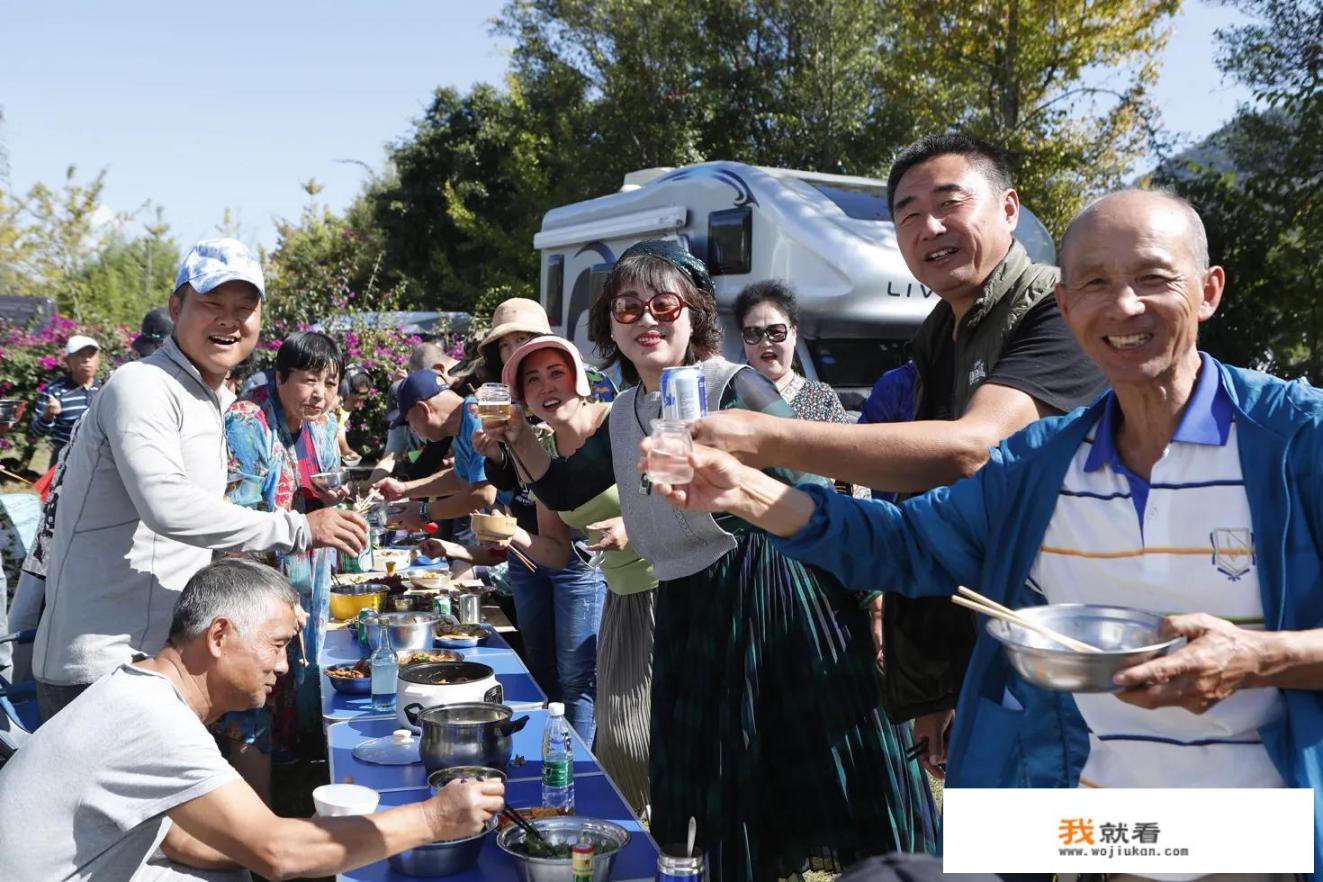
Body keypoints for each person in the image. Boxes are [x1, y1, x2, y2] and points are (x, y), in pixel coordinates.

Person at [651, 190, 1323, 879]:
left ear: (1207, 291)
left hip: (1265, 829)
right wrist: (745, 491)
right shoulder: (1041, 464)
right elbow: (903, 544)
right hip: (1090, 828)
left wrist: (1258, 658)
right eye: (1093, 283)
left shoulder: (1296, 441)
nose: (1122, 306)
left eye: (1152, 278)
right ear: (1064, 309)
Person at [485, 240, 937, 881]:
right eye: (628, 307)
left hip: (774, 594)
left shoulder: (735, 386)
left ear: (694, 314)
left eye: (664, 303)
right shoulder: (624, 413)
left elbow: (812, 495)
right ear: (608, 326)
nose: (647, 318)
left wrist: (870, 604)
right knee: (707, 785)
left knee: (831, 771)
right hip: (690, 603)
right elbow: (561, 490)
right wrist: (514, 435)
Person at [692, 133, 1107, 768]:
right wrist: (936, 685)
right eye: (908, 214)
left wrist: (758, 433)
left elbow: (972, 449)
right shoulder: (942, 333)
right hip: (988, 638)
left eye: (948, 203)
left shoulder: (1058, 309)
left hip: (1070, 642)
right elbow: (931, 511)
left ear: (1008, 208)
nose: (929, 226)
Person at [31, 238, 368, 721]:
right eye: (212, 304)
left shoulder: (215, 403)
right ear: (176, 307)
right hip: (101, 666)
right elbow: (168, 507)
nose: (229, 320)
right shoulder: (142, 385)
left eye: (244, 308)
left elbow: (216, 534)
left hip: (162, 662)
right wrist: (301, 527)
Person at [0, 558, 503, 881]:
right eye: (278, 644)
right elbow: (276, 855)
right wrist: (432, 819)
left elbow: (181, 839)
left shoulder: (136, 688)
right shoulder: (152, 720)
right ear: (218, 636)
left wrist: (316, 840)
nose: (285, 666)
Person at [484, 336, 644, 794]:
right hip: (619, 599)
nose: (546, 385)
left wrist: (632, 526)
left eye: (556, 372)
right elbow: (556, 549)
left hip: (666, 592)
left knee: (637, 734)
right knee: (622, 735)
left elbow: (675, 492)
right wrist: (511, 533)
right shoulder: (544, 453)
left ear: (580, 378)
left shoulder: (621, 422)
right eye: (531, 379)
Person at [209, 331, 347, 799]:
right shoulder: (249, 421)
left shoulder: (323, 424)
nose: (319, 394)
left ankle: (301, 794)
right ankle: (256, 820)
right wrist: (306, 519)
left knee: (304, 678)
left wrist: (334, 498)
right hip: (255, 582)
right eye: (308, 380)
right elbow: (239, 518)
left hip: (310, 577)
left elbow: (320, 483)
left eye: (330, 383)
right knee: (254, 695)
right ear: (280, 376)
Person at [465, 299, 608, 745]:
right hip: (531, 547)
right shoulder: (510, 403)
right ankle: (551, 759)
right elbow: (525, 481)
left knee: (578, 678)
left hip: (584, 553)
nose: (513, 351)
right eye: (505, 345)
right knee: (541, 666)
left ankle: (580, 772)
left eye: (522, 341)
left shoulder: (591, 400)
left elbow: (582, 481)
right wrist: (494, 454)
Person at [373, 369, 497, 524]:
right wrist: (404, 489)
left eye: (409, 420)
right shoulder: (462, 424)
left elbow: (484, 493)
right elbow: (460, 478)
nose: (412, 429)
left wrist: (423, 512)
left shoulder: (476, 417)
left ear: (424, 410)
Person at [735, 280, 849, 422]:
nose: (765, 342)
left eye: (776, 331)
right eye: (753, 332)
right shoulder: (728, 395)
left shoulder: (822, 398)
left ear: (794, 333)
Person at [30, 333, 103, 462]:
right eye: (81, 355)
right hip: (65, 457)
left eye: (91, 355)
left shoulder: (106, 389)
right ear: (67, 360)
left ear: (98, 360)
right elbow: (36, 432)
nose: (87, 360)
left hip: (100, 457)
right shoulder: (54, 390)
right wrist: (48, 415)